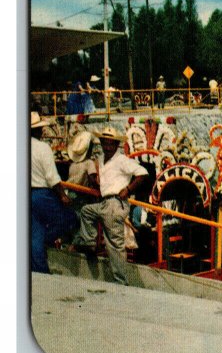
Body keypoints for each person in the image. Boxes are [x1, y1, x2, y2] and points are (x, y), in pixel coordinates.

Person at [71, 126, 148, 285]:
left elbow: (142, 173)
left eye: (110, 143)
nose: (106, 146)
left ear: (115, 144)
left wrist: (128, 189)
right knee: (86, 211)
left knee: (114, 245)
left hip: (115, 203)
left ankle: (121, 282)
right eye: (104, 143)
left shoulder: (122, 160)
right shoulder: (100, 159)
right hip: (105, 202)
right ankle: (90, 243)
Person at [31, 112, 78, 274]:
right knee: (69, 218)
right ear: (37, 130)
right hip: (42, 194)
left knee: (35, 232)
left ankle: (40, 270)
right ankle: (45, 241)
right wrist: (63, 195)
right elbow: (52, 177)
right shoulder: (42, 148)